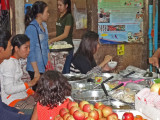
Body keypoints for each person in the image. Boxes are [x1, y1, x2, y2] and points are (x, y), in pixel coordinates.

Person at [0, 34, 40, 110]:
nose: (29, 50)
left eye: (29, 47)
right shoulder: (9, 63)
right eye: (26, 47)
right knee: (37, 112)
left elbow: (18, 82)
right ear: (16, 48)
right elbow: (9, 90)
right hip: (11, 101)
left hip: (19, 96)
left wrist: (31, 92)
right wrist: (29, 84)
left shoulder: (16, 60)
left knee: (43, 103)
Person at [0, 29, 31, 120]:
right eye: (10, 46)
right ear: (1, 49)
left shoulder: (14, 61)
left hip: (9, 105)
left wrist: (14, 112)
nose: (11, 48)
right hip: (11, 101)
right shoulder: (8, 63)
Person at [25, 1, 51, 91]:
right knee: (39, 93)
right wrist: (36, 72)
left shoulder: (44, 26)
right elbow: (31, 52)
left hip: (44, 66)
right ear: (39, 14)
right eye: (46, 12)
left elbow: (46, 46)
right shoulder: (31, 28)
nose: (48, 14)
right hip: (35, 67)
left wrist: (48, 63)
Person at [48, 0, 74, 74]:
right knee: (60, 72)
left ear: (66, 6)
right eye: (58, 5)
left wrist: (51, 40)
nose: (58, 7)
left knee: (66, 71)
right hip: (60, 48)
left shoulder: (68, 17)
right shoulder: (60, 16)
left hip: (67, 48)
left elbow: (65, 34)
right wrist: (48, 34)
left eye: (60, 5)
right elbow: (59, 32)